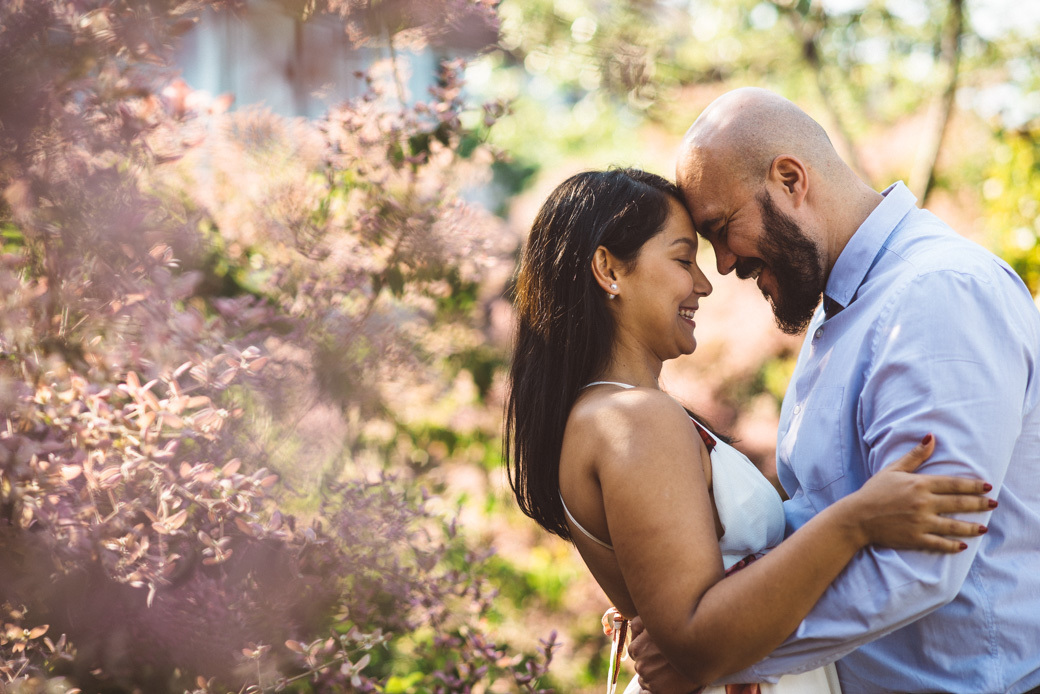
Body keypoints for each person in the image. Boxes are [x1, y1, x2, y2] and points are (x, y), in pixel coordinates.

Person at [504, 167, 995, 693]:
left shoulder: (609, 416)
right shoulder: (635, 420)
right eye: (681, 259)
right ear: (609, 269)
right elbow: (696, 638)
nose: (704, 283)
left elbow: (684, 612)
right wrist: (856, 520)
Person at [625, 88, 1040, 694]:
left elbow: (924, 562)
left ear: (790, 178)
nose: (721, 266)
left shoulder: (936, 295)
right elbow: (820, 523)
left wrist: (716, 648)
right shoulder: (842, 317)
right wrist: (689, 605)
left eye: (721, 228)